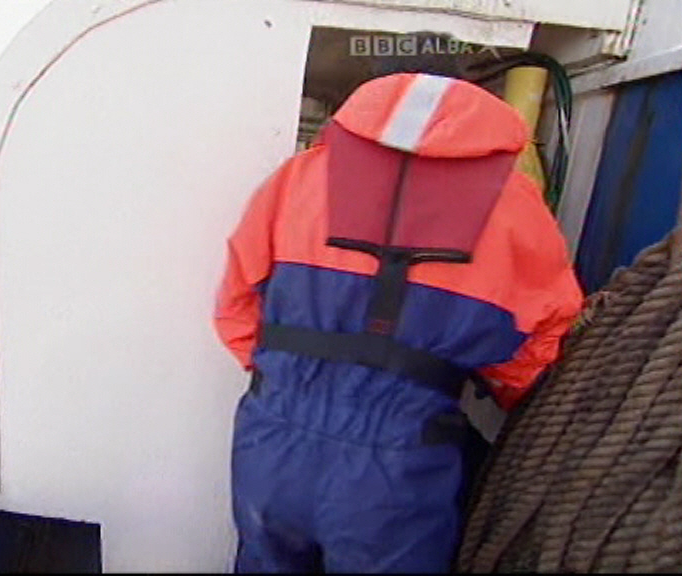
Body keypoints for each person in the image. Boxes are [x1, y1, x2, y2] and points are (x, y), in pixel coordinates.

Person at [213, 65, 584, 572]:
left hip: (271, 443)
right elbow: (538, 354)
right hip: (400, 463)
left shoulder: (297, 177)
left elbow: (235, 306)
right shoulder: (516, 204)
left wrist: (292, 379)